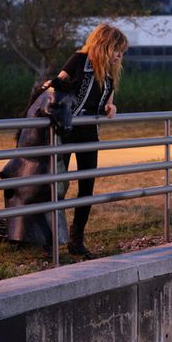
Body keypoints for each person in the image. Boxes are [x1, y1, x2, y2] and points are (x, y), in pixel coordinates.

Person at [48, 23, 128, 257]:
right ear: (104, 46)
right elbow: (55, 87)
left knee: (87, 188)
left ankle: (76, 240)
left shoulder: (110, 72)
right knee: (57, 185)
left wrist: (111, 107)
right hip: (65, 129)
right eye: (117, 50)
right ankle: (49, 239)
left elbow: (108, 102)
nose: (119, 56)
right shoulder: (78, 60)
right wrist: (53, 88)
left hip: (88, 132)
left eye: (122, 52)